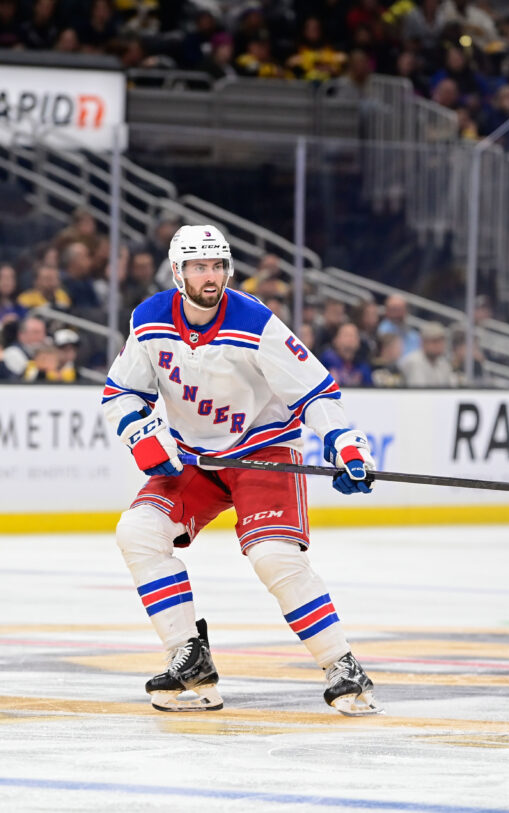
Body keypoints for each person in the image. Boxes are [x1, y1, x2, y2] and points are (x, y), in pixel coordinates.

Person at [101, 224, 380, 716]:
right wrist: (140, 434)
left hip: (263, 451)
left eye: (217, 266)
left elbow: (314, 390)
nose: (211, 276)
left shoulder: (256, 321)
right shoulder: (148, 320)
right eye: (199, 267)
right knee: (138, 532)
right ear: (177, 271)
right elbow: (121, 392)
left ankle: (342, 663)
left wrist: (342, 440)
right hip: (195, 458)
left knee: (273, 555)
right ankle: (188, 658)